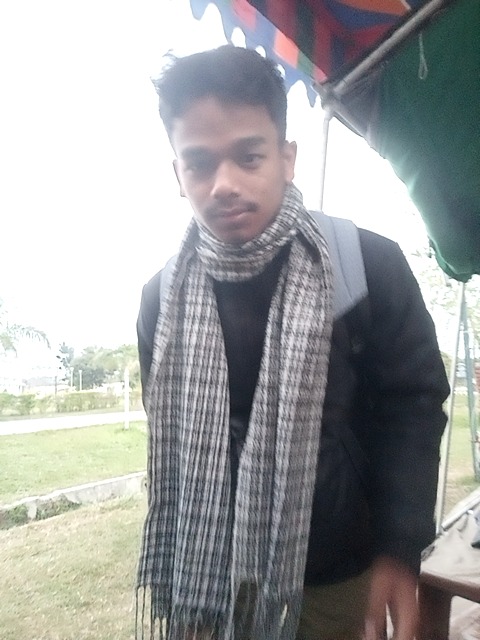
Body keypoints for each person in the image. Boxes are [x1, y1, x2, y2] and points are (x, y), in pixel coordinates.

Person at [135, 45, 449, 640]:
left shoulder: (365, 265)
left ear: (287, 157)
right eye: (199, 163)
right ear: (177, 175)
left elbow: (412, 406)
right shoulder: (162, 298)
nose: (224, 184)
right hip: (204, 569)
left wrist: (398, 546)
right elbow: (167, 431)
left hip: (337, 569)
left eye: (248, 156)